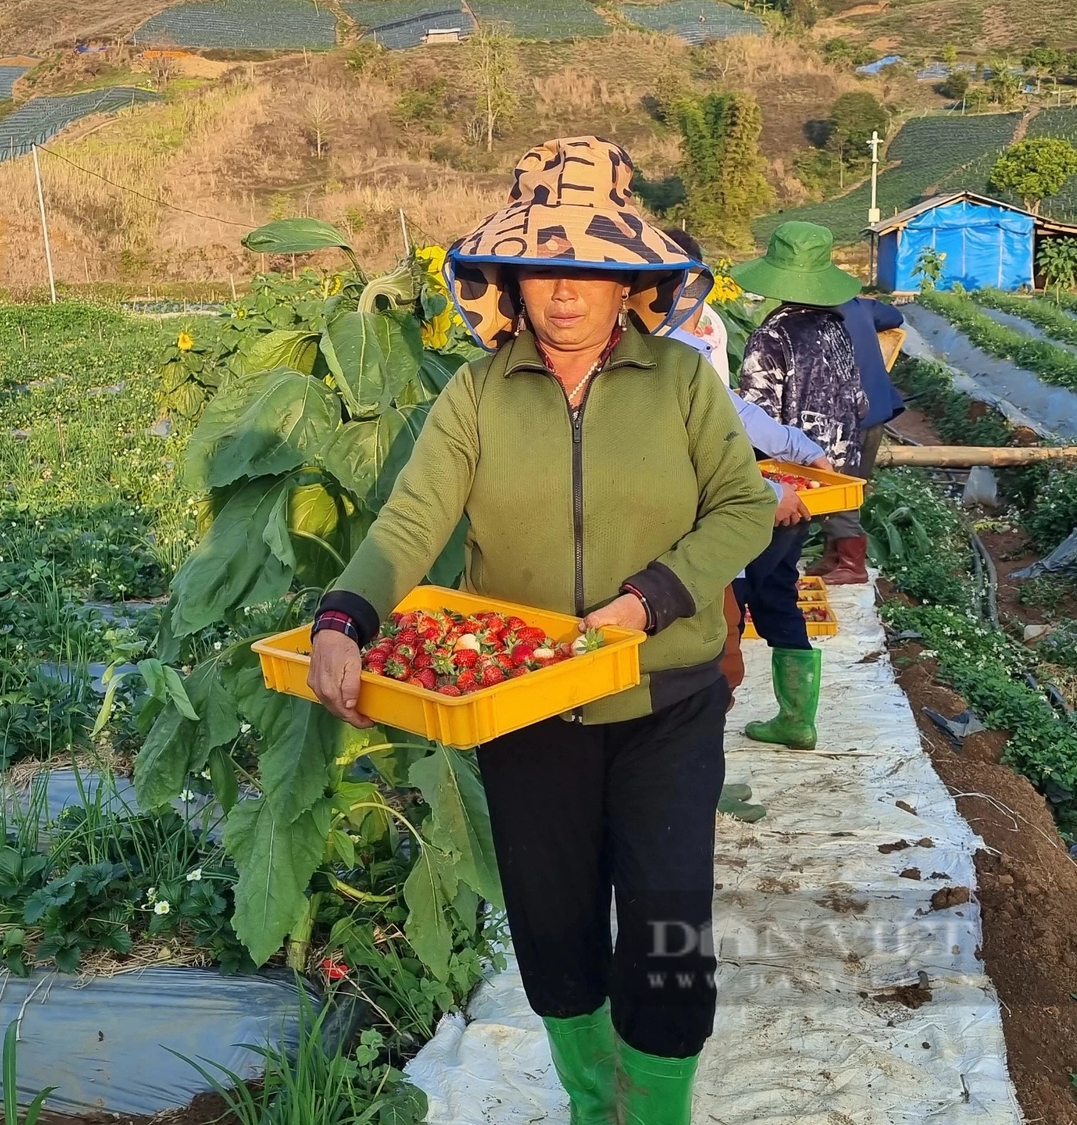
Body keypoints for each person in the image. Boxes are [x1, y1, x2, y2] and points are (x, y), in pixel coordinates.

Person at [305, 137, 775, 1124]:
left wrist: (651, 596)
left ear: (627, 280)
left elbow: (739, 508)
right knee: (553, 932)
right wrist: (343, 617)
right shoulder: (476, 394)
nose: (563, 290)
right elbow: (407, 522)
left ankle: (654, 1109)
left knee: (665, 930)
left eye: (586, 268)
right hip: (520, 709)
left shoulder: (681, 384)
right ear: (508, 280)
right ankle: (589, 1102)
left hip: (664, 702)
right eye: (541, 266)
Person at [659, 228, 833, 699]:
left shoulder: (688, 344)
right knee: (709, 647)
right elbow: (689, 448)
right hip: (694, 530)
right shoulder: (660, 355)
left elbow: (731, 412)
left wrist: (797, 450)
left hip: (725, 518)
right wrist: (774, 487)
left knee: (721, 645)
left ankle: (704, 759)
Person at [729, 221, 872, 750]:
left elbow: (750, 419)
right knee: (779, 586)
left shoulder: (771, 335)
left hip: (776, 481)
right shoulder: (837, 327)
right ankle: (797, 719)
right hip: (823, 476)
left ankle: (713, 703)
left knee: (735, 583)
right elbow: (857, 401)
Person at [806, 294, 907, 583]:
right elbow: (894, 317)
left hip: (842, 414)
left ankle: (852, 565)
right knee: (850, 486)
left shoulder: (807, 317)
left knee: (836, 487)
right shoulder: (860, 305)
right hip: (873, 410)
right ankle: (835, 556)